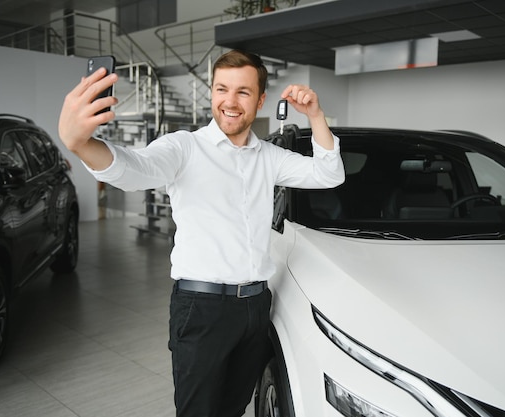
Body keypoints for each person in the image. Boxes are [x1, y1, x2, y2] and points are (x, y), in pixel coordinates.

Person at [58, 49, 345, 417]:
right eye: (221, 89)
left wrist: (317, 116)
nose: (230, 101)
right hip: (201, 309)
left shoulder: (270, 157)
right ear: (211, 93)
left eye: (243, 92)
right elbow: (132, 169)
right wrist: (81, 143)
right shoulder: (184, 147)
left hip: (256, 308)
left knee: (233, 409)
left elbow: (329, 174)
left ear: (259, 100)